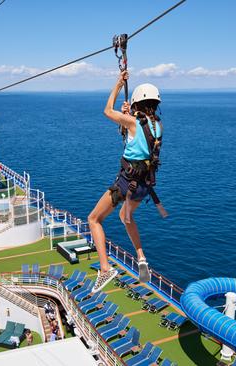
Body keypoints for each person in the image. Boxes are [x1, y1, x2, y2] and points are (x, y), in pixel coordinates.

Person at [89, 70, 163, 293]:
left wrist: (118, 85)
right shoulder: (157, 125)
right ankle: (141, 257)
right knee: (125, 217)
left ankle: (104, 269)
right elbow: (136, 135)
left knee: (93, 220)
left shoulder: (132, 121)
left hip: (126, 182)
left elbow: (106, 111)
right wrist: (128, 114)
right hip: (144, 185)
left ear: (137, 102)